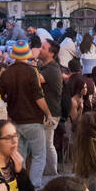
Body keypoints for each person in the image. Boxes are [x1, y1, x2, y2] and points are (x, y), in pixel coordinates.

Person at [0, 40, 55, 187]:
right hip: (34, 121)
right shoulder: (32, 72)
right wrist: (48, 113)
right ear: (27, 55)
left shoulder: (6, 73)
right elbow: (38, 97)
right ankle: (34, 186)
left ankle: (20, 187)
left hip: (15, 122)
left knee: (19, 156)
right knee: (39, 155)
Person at [36, 38, 63, 178]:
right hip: (47, 112)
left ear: (51, 54)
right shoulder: (45, 66)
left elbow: (35, 79)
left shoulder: (52, 69)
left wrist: (31, 58)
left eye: (43, 48)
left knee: (46, 144)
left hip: (50, 113)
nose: (40, 49)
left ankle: (52, 174)